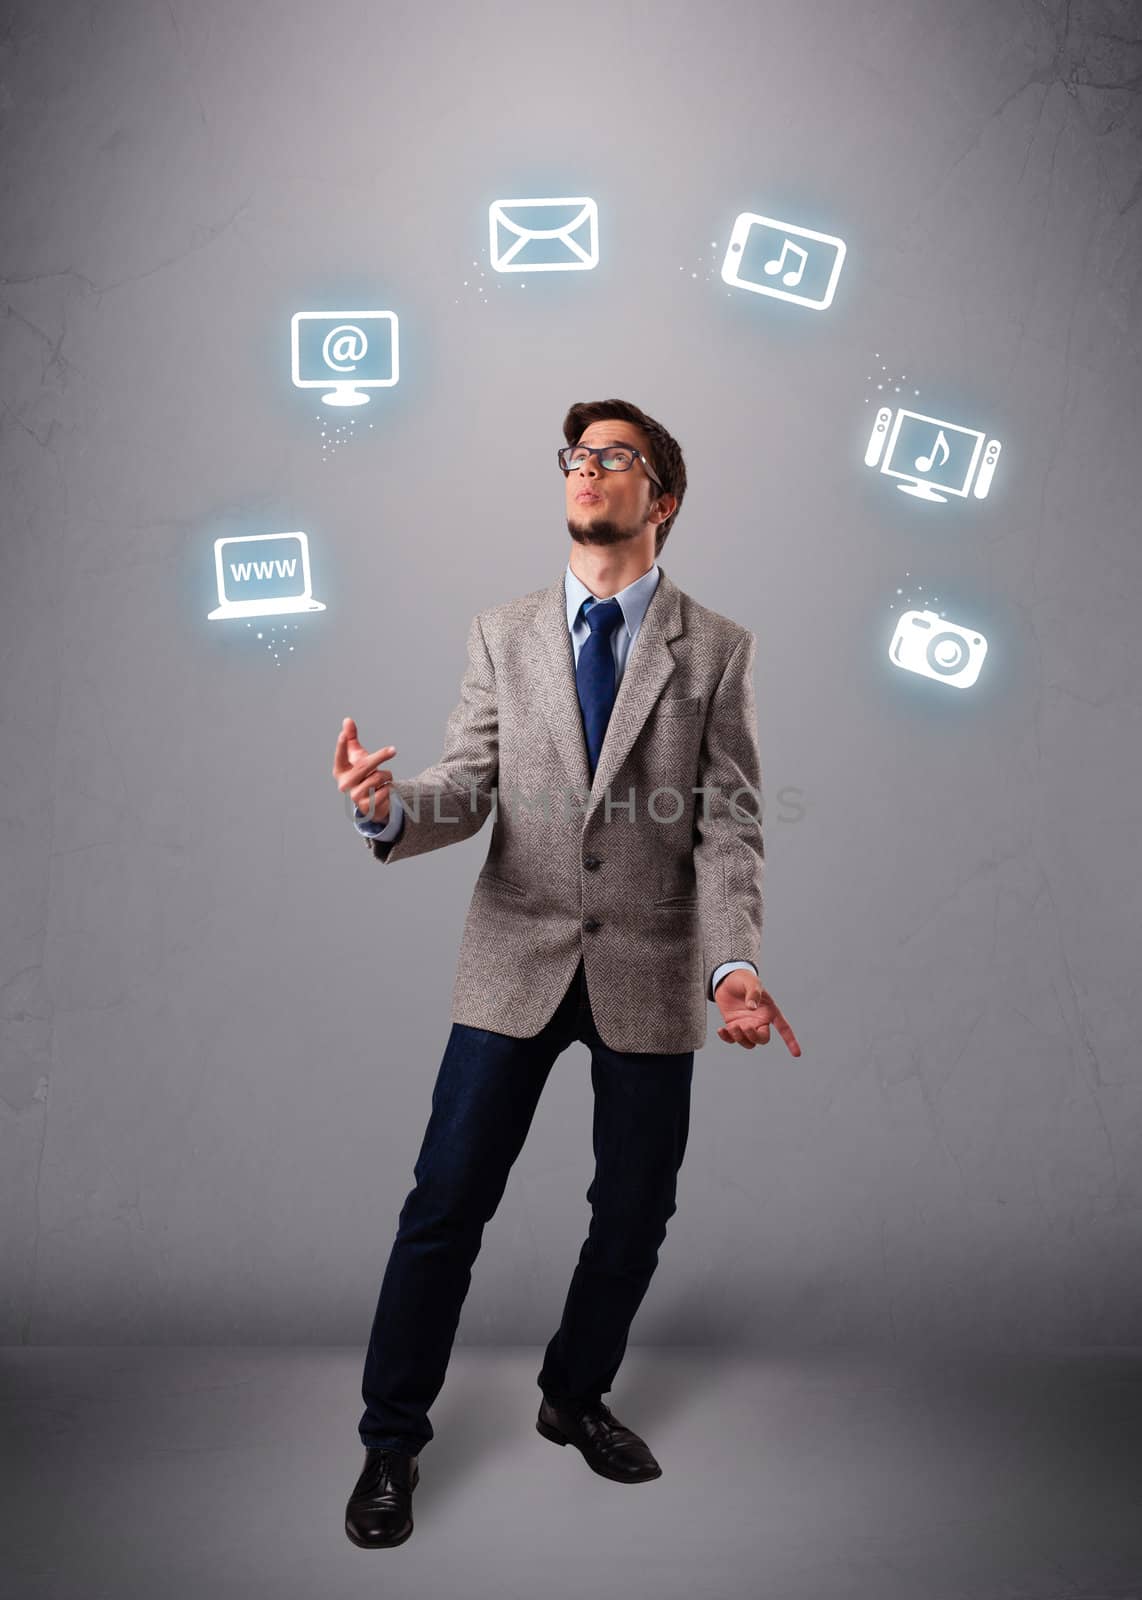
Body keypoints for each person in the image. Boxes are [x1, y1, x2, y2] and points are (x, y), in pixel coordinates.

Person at [333, 398, 801, 1549]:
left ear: (663, 497)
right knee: (443, 1206)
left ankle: (572, 1393)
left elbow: (730, 826)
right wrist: (392, 809)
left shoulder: (717, 648)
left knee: (633, 1215)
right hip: (514, 955)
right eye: (576, 456)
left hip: (649, 963)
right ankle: (390, 1440)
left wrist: (732, 965)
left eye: (615, 457)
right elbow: (466, 780)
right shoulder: (502, 632)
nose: (587, 471)